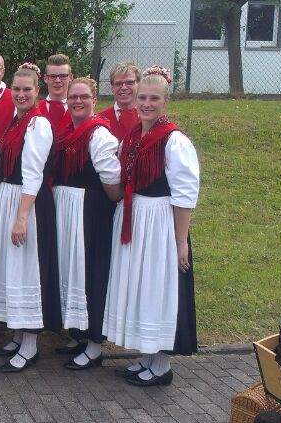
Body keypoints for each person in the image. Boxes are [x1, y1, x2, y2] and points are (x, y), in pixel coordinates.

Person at [103, 66, 200, 387]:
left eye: (154, 98)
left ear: (165, 101)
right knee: (142, 287)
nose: (146, 104)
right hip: (134, 218)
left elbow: (185, 194)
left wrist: (180, 241)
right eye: (142, 97)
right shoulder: (133, 136)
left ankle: (162, 365)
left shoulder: (174, 140)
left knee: (159, 288)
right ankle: (148, 357)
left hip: (159, 223)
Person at [0, 63, 58, 372]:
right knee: (13, 270)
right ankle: (17, 335)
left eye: (27, 89)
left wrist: (21, 217)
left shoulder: (38, 124)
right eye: (16, 89)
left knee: (27, 271)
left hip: (27, 202)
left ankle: (30, 346)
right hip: (10, 197)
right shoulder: (19, 121)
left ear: (37, 91)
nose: (21, 94)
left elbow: (33, 173)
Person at [52, 77, 122, 370]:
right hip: (67, 211)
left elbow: (112, 180)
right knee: (71, 273)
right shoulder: (67, 131)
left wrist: (100, 206)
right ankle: (77, 334)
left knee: (90, 274)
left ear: (95, 100)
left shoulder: (99, 134)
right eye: (73, 97)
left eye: (84, 97)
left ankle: (94, 345)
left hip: (89, 213)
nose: (77, 102)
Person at [97, 61, 141, 141]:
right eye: (118, 83)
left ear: (139, 85)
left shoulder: (150, 118)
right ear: (112, 88)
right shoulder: (100, 120)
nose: (124, 87)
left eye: (130, 82)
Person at [38, 54, 73, 133]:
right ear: (45, 78)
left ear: (70, 77)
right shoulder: (36, 109)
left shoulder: (78, 108)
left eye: (63, 76)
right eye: (53, 76)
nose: (57, 80)